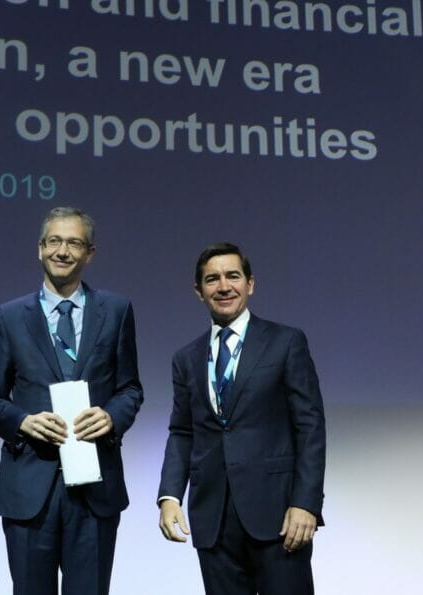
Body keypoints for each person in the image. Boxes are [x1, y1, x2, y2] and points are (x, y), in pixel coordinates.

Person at [0, 207, 143, 595]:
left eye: (74, 243)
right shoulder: (10, 316)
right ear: (40, 249)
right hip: (30, 488)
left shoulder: (116, 311)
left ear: (90, 253)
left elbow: (131, 389)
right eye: (54, 241)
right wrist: (22, 422)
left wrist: (111, 416)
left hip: (94, 488)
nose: (62, 251)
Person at [157, 242, 326, 595]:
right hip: (213, 520)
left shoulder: (286, 342)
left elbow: (310, 427)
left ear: (250, 284)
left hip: (279, 515)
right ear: (199, 291)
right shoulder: (186, 358)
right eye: (212, 279)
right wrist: (170, 496)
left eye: (233, 276)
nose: (223, 286)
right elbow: (182, 431)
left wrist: (306, 503)